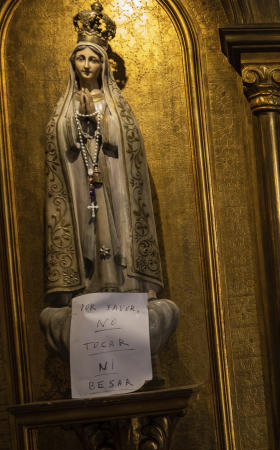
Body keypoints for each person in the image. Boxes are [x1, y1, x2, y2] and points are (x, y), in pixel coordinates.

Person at [44, 9, 163, 306]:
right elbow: (58, 145)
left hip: (112, 179)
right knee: (88, 226)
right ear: (72, 62)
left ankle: (127, 281)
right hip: (81, 183)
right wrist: (74, 123)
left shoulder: (115, 104)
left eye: (93, 59)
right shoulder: (65, 106)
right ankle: (87, 283)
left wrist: (99, 121)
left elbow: (127, 140)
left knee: (118, 223)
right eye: (81, 58)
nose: (86, 65)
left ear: (102, 65)